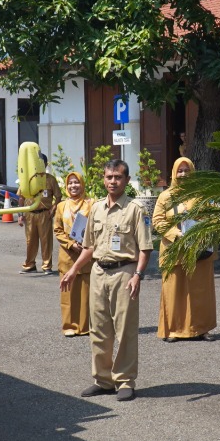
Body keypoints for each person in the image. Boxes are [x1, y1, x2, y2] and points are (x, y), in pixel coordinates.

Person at [60, 159, 150, 402]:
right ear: (103, 179)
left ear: (127, 180)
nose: (113, 181)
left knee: (125, 330)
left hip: (124, 273)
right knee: (98, 329)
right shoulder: (97, 209)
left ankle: (125, 381)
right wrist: (74, 269)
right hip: (99, 272)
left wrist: (138, 275)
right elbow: (89, 246)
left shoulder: (135, 209)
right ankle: (103, 380)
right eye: (109, 177)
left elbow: (145, 248)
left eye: (118, 177)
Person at [154, 157, 217, 342]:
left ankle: (202, 329)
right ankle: (173, 330)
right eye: (180, 171)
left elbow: (214, 216)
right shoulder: (166, 196)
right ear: (174, 173)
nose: (183, 174)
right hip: (174, 250)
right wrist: (176, 235)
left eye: (187, 170)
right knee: (173, 291)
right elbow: (158, 220)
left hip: (199, 249)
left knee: (200, 290)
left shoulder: (202, 194)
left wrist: (203, 232)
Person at [53, 171, 94, 337]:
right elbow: (57, 230)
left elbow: (95, 226)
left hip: (86, 254)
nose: (73, 186)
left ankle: (85, 326)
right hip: (67, 255)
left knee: (85, 293)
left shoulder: (91, 204)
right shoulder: (61, 206)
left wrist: (85, 244)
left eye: (76, 182)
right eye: (70, 183)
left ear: (82, 184)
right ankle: (69, 325)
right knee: (68, 292)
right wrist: (71, 244)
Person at [20, 155, 60, 274]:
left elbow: (58, 196)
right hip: (30, 214)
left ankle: (46, 266)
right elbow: (21, 197)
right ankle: (30, 265)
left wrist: (53, 208)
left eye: (42, 163)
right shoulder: (28, 179)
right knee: (30, 241)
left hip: (44, 214)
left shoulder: (50, 179)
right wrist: (21, 214)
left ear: (46, 164)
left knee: (46, 241)